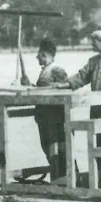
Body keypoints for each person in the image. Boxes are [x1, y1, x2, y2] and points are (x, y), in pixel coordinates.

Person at [52, 29, 101, 184]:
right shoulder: (93, 61)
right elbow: (80, 78)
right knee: (97, 142)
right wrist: (62, 86)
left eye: (94, 40)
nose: (91, 43)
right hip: (96, 109)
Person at [21, 39, 69, 181]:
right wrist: (29, 85)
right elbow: (42, 90)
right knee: (48, 148)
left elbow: (63, 90)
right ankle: (59, 178)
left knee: (57, 149)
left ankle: (62, 178)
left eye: (38, 55)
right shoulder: (46, 71)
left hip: (53, 118)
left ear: (44, 55)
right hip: (45, 118)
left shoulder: (56, 70)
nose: (37, 58)